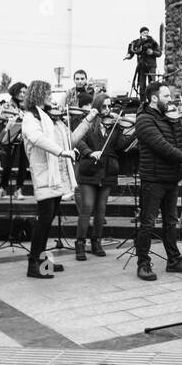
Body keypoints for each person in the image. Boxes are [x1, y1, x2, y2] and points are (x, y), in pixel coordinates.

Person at [134, 82, 182, 281]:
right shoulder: (144, 120)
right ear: (154, 98)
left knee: (171, 221)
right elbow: (161, 146)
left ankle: (173, 260)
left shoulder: (170, 118)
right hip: (153, 179)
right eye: (166, 96)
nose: (170, 99)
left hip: (171, 178)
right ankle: (143, 263)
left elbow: (179, 141)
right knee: (148, 223)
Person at [19, 80, 77, 279]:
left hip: (55, 175)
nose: (50, 97)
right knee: (44, 220)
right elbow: (37, 139)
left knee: (49, 219)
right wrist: (62, 152)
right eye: (48, 93)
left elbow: (67, 139)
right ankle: (33, 264)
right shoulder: (30, 118)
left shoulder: (47, 117)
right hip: (44, 174)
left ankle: (44, 261)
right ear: (39, 94)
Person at [71, 93, 120, 260]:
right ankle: (80, 244)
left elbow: (120, 146)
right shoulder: (88, 122)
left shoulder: (113, 125)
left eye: (109, 106)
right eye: (104, 106)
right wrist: (90, 152)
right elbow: (78, 140)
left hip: (107, 172)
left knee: (101, 210)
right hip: (89, 170)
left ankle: (96, 242)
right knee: (87, 208)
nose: (107, 110)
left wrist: (130, 131)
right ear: (97, 106)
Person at [129, 27, 161, 98]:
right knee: (142, 85)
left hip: (151, 66)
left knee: (152, 84)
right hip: (142, 66)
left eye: (147, 33)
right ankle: (142, 102)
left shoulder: (153, 42)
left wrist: (152, 52)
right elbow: (132, 50)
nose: (146, 34)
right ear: (141, 34)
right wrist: (129, 55)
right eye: (144, 33)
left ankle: (152, 100)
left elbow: (159, 53)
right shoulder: (137, 42)